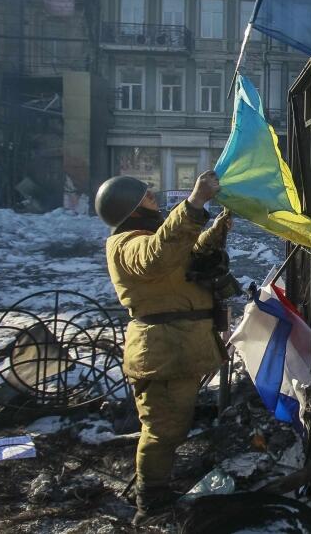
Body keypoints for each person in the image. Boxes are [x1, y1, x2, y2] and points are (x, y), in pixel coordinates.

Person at [94, 171, 231, 526]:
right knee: (163, 431)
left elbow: (187, 256)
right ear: (129, 208)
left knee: (172, 426)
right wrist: (194, 203)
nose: (155, 199)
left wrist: (217, 227)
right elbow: (157, 257)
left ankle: (156, 494)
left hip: (180, 347)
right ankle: (151, 505)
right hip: (164, 352)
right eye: (147, 198)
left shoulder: (154, 238)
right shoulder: (126, 244)